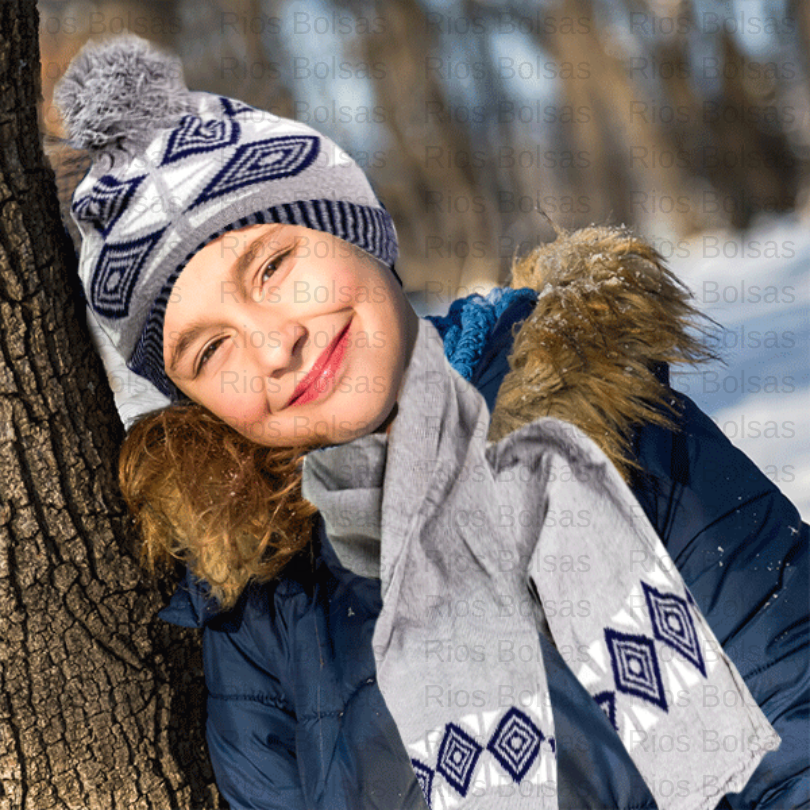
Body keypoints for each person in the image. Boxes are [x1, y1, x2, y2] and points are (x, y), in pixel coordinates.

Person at [56, 35, 808, 810]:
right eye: (211, 348)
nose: (275, 344)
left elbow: (793, 741)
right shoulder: (259, 604)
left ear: (355, 228)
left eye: (274, 266)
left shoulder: (609, 441)